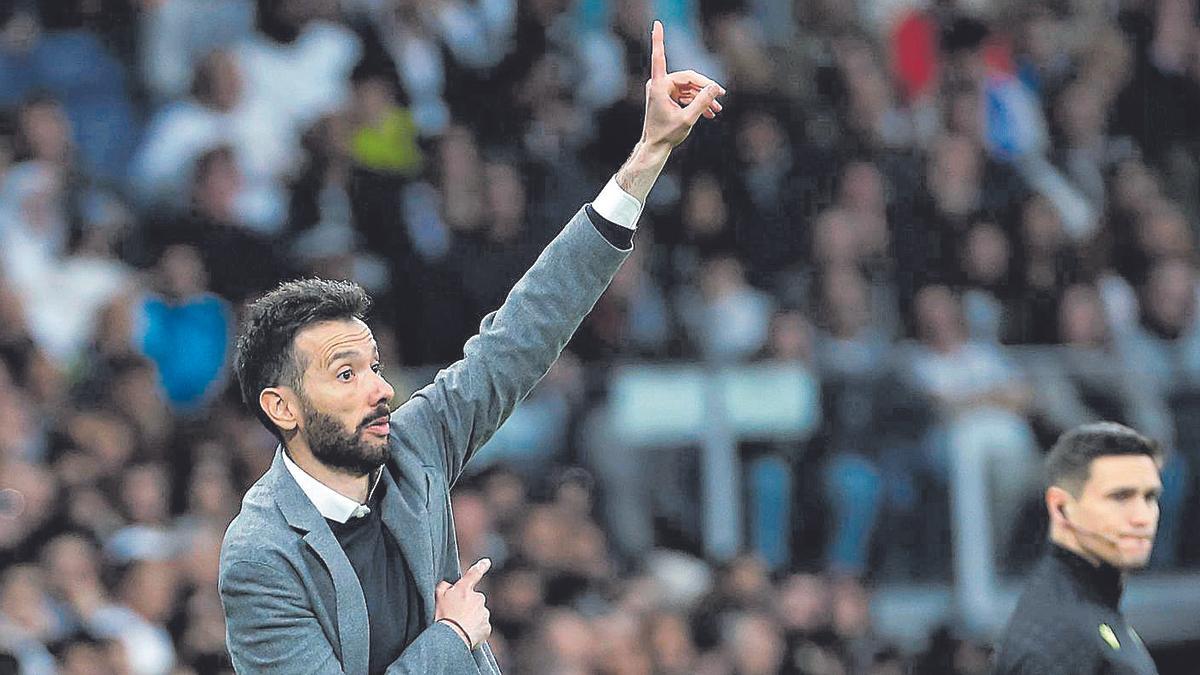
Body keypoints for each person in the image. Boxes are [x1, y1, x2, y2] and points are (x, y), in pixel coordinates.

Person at [217, 21, 726, 675]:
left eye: (374, 366)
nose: (380, 388)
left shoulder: (413, 445)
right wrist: (452, 636)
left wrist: (648, 154)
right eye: (346, 373)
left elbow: (523, 332)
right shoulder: (260, 554)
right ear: (282, 407)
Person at [993, 422, 1162, 675]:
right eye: (1120, 497)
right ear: (1061, 507)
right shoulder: (1055, 638)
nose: (1142, 517)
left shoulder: (1090, 604)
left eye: (1150, 497)